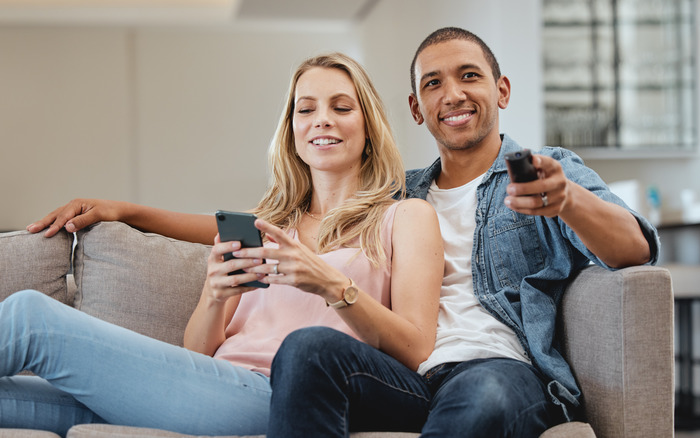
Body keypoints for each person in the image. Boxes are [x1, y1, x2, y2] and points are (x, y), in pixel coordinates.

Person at [3, 52, 444, 437]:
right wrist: (215, 295)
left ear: (369, 124)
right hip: (212, 385)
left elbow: (416, 348)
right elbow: (195, 354)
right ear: (292, 130)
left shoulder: (405, 217)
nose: (321, 119)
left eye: (341, 107)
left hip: (277, 396)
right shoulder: (268, 228)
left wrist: (332, 285)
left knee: (30, 317)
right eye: (305, 109)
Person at [264, 27, 660, 437]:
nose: (452, 94)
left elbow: (636, 249)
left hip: (497, 368)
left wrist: (569, 201)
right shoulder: (392, 196)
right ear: (417, 108)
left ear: (502, 91)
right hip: (404, 375)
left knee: (483, 395)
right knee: (307, 349)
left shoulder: (549, 173)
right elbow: (286, 223)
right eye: (433, 83)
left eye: (469, 76)